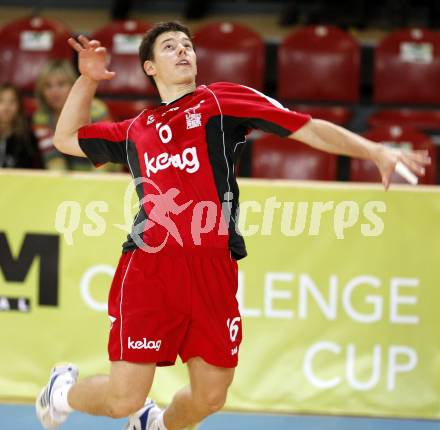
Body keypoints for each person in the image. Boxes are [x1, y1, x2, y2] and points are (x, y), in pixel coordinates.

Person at [35, 21, 430, 430]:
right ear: (150, 67)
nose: (183, 51)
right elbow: (66, 138)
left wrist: (373, 150)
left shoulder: (220, 101)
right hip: (152, 266)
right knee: (123, 399)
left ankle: (156, 425)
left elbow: (304, 126)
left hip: (213, 266)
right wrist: (86, 79)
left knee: (210, 396)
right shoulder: (136, 129)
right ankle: (61, 390)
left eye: (187, 45)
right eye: (169, 47)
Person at [33, 59, 115, 171]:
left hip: (104, 176)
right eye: (48, 86)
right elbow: (53, 160)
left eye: (61, 84)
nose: (54, 92)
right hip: (70, 180)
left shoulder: (96, 109)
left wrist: (89, 186)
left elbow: (105, 157)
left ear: (73, 85)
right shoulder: (41, 118)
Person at [0, 83, 41, 169]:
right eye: (1, 101)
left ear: (19, 106)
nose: (6, 107)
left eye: (12, 102)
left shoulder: (27, 138)